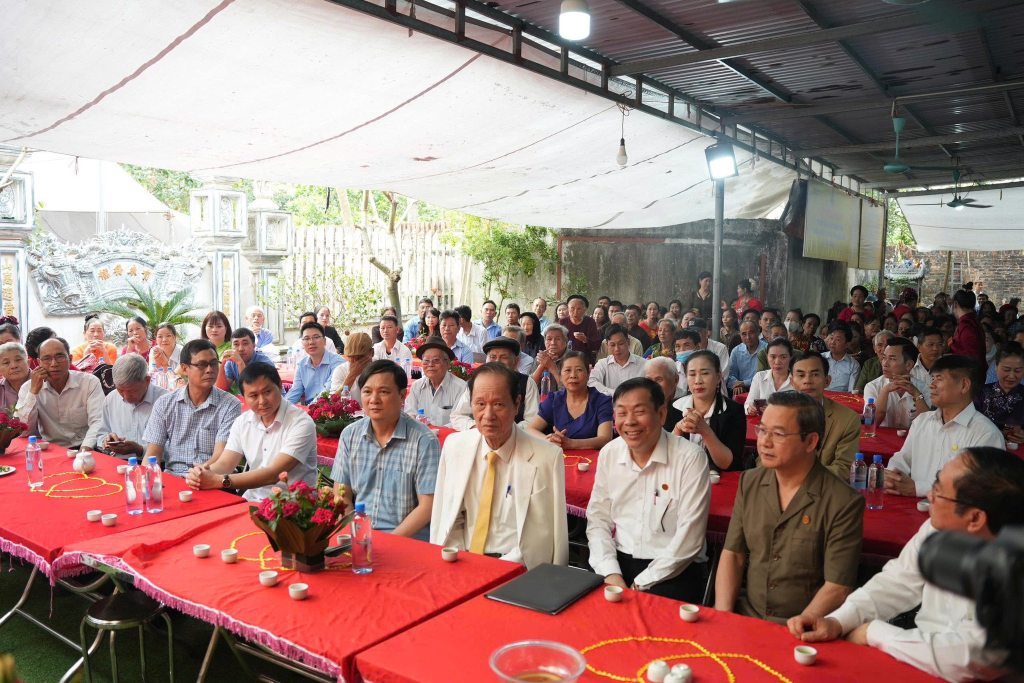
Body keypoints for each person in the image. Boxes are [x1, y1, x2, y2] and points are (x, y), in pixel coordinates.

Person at [790, 448, 1024, 682]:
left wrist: (874, 633)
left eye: (939, 492)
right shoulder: (936, 529)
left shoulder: (1014, 569)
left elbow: (971, 659)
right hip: (919, 657)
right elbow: (897, 582)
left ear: (975, 518)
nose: (929, 496)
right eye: (935, 483)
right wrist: (838, 621)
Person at [715, 391, 864, 624]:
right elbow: (733, 554)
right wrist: (723, 616)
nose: (764, 442)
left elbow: (837, 587)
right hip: (749, 616)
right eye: (762, 430)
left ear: (811, 441)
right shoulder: (750, 482)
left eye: (778, 434)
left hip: (806, 627)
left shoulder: (842, 501)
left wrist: (798, 629)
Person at [430, 363, 568, 568]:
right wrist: (462, 560)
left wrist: (494, 569)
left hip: (517, 569)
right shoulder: (455, 447)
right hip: (461, 561)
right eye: (480, 404)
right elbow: (448, 515)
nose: (488, 415)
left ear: (516, 405)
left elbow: (542, 536)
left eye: (498, 404)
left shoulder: (546, 457)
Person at [587, 377, 710, 600]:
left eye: (639, 412)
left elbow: (689, 539)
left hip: (674, 569)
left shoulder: (690, 457)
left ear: (661, 414)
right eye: (621, 413)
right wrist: (610, 572)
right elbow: (598, 519)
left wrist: (639, 585)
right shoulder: (610, 453)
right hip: (619, 561)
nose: (629, 421)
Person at [331, 361, 439, 540]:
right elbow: (341, 495)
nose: (374, 400)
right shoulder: (350, 435)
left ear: (402, 396)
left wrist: (387, 543)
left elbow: (427, 506)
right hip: (360, 534)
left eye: (383, 392)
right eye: (367, 392)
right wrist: (357, 533)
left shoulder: (424, 441)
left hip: (406, 539)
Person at [187, 362, 317, 500]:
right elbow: (226, 463)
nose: (262, 401)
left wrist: (218, 480)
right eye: (253, 396)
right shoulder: (242, 422)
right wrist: (201, 473)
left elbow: (273, 474)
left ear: (279, 386)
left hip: (294, 504)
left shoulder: (301, 423)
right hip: (252, 500)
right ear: (244, 397)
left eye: (267, 392)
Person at [887, 355, 1004, 497]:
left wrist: (917, 488)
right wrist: (893, 476)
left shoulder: (986, 433)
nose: (932, 385)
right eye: (932, 379)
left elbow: (978, 486)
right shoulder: (922, 421)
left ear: (964, 385)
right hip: (911, 505)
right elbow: (903, 458)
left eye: (939, 379)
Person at [141, 339, 241, 476]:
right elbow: (153, 453)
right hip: (173, 477)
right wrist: (148, 480)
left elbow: (221, 457)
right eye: (202, 365)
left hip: (211, 477)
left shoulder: (230, 405)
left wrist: (196, 476)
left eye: (213, 363)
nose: (210, 370)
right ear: (184, 368)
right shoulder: (164, 403)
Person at [16, 338, 104, 449]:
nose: (54, 364)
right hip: (49, 448)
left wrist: (84, 450)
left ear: (70, 359)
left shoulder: (89, 382)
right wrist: (33, 393)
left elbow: (98, 422)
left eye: (60, 357)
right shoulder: (28, 387)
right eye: (47, 359)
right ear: (39, 363)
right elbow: (22, 431)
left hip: (85, 446)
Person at [789, 353, 860, 478]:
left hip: (824, 487)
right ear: (792, 382)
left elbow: (844, 468)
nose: (807, 381)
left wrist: (799, 477)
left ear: (827, 381)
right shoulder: (778, 414)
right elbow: (765, 459)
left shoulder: (847, 419)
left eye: (815, 374)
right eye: (801, 375)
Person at [672, 350, 746, 471]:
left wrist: (705, 431)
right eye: (692, 374)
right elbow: (666, 458)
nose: (698, 381)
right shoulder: (674, 407)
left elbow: (728, 464)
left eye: (705, 373)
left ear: (718, 377)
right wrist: (678, 429)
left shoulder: (733, 411)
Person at [527, 350, 612, 450]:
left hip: (591, 458)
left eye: (579, 370)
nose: (573, 375)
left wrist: (571, 444)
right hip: (558, 456)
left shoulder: (602, 401)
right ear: (560, 375)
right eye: (567, 370)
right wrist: (549, 440)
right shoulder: (554, 400)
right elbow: (531, 429)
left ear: (588, 373)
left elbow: (605, 439)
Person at [451, 337, 540, 429]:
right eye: (493, 357)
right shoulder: (476, 382)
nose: (497, 361)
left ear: (516, 361)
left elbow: (532, 421)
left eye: (504, 357)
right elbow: (458, 416)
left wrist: (505, 430)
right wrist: (477, 427)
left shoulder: (527, 383)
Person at [97, 353, 167, 458]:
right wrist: (106, 442)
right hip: (119, 462)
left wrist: (140, 450)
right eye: (120, 390)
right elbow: (100, 434)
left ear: (147, 380)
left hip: (153, 464)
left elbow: (176, 449)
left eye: (132, 391)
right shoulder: (111, 399)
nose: (126, 397)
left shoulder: (165, 401)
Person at [863, 337, 928, 429]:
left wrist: (916, 394)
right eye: (884, 357)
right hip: (882, 438)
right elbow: (871, 422)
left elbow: (927, 424)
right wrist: (885, 391)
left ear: (908, 365)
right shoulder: (873, 386)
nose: (885, 364)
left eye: (892, 359)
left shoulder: (923, 388)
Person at [404, 337, 466, 427]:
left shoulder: (461, 388)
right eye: (426, 361)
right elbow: (409, 414)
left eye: (436, 360)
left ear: (447, 363)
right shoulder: (416, 386)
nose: (430, 365)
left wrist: (435, 431)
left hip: (449, 434)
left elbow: (460, 421)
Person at [974, 342, 1024, 445]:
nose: (1011, 376)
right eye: (1006, 370)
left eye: (1017, 371)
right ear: (996, 367)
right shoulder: (980, 393)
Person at [286, 322, 345, 405]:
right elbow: (294, 392)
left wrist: (309, 409)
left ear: (324, 341)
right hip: (309, 409)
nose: (311, 342)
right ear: (302, 343)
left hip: (330, 409)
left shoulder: (338, 363)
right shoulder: (302, 365)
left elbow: (327, 393)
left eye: (316, 337)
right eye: (306, 338)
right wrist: (281, 408)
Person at [589, 324, 647, 396]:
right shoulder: (602, 364)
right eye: (612, 345)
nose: (617, 349)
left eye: (621, 344)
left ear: (628, 342)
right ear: (607, 345)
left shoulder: (644, 364)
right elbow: (591, 382)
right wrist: (616, 393)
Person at [217, 327, 275, 395]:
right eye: (236, 344)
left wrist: (240, 363)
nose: (241, 349)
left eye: (245, 343)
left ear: (254, 346)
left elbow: (253, 390)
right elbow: (222, 389)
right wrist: (222, 364)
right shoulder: (231, 363)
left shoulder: (264, 363)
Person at [744, 338, 794, 414]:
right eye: (773, 357)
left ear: (790, 357)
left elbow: (802, 411)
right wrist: (750, 408)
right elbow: (748, 403)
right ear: (767, 357)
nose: (777, 362)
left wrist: (774, 411)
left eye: (783, 357)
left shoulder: (797, 380)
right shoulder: (759, 377)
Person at [644, 356, 686, 430]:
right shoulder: (644, 403)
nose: (653, 385)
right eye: (649, 380)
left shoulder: (686, 404)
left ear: (675, 380)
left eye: (659, 379)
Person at [558, 294, 601, 363]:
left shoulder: (590, 322)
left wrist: (585, 340)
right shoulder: (563, 322)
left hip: (584, 358)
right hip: (566, 358)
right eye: (572, 308)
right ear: (568, 309)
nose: (575, 312)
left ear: (584, 310)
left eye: (579, 309)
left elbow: (596, 345)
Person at [329, 332, 373, 398]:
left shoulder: (380, 369)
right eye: (351, 357)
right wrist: (351, 376)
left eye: (359, 357)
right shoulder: (341, 370)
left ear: (372, 353)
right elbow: (333, 401)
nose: (355, 361)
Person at [727, 321, 765, 396]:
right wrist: (737, 385)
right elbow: (730, 374)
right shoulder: (736, 351)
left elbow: (765, 376)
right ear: (740, 335)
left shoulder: (766, 349)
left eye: (751, 333)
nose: (748, 337)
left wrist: (744, 383)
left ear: (758, 332)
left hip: (761, 390)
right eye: (744, 334)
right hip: (741, 390)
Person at [821, 321, 860, 392]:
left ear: (847, 344)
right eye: (831, 338)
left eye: (838, 340)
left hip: (842, 398)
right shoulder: (820, 358)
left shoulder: (853, 365)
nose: (832, 342)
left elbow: (851, 392)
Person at [950, 289, 986, 364]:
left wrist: (951, 345)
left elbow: (972, 357)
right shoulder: (973, 322)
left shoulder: (967, 326)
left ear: (955, 304)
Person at [531, 324, 569, 390]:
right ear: (544, 342)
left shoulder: (573, 359)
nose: (553, 343)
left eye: (558, 339)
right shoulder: (541, 357)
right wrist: (542, 365)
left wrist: (552, 367)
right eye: (549, 339)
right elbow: (529, 387)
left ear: (565, 341)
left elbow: (569, 390)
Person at [0, 342, 30, 412]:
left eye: (18, 360)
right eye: (6, 363)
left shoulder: (44, 382)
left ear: (28, 363)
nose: (13, 366)